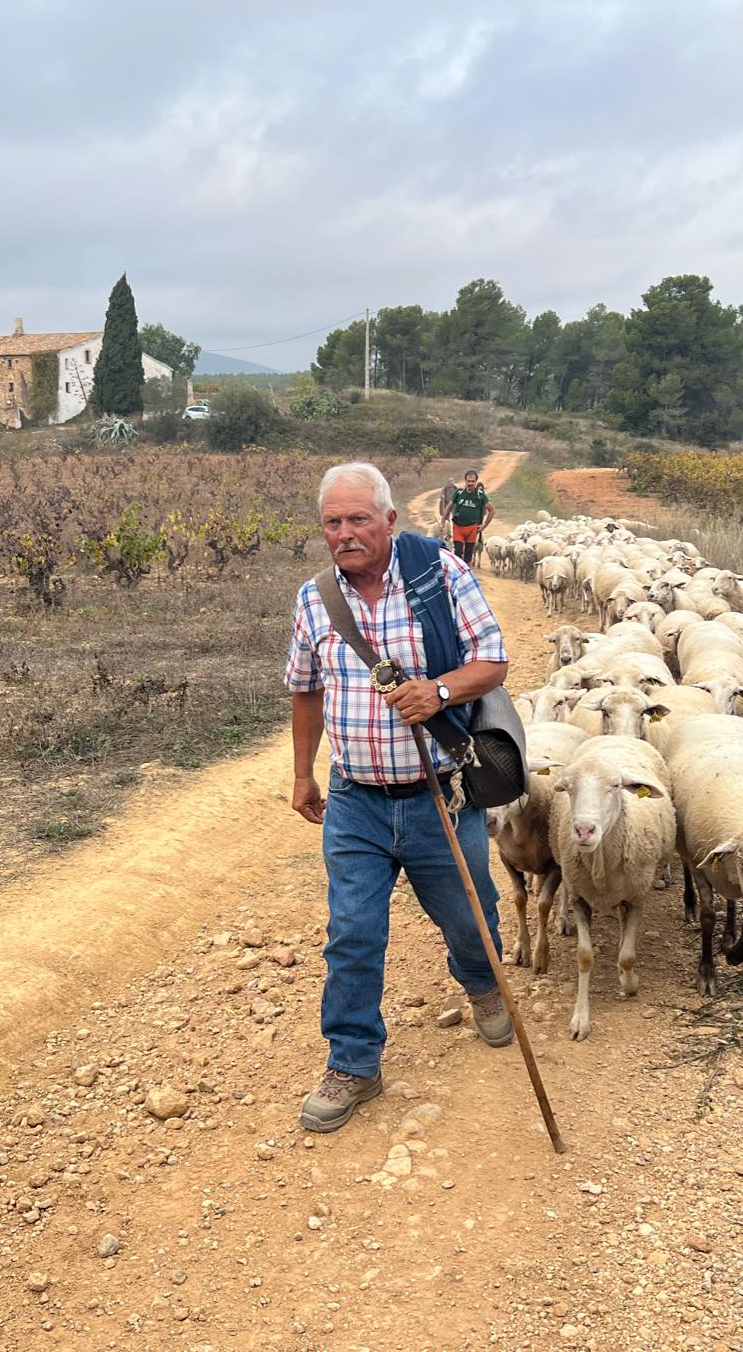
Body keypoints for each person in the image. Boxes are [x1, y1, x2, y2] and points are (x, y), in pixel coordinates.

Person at [286, 461, 513, 1133]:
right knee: (353, 930)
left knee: (470, 917)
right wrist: (303, 772)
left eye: (359, 518)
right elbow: (306, 689)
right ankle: (354, 1060)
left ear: (389, 519)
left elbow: (493, 659)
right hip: (357, 799)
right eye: (334, 521)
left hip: (438, 793)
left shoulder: (442, 575)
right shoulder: (315, 599)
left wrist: (438, 690)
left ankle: (483, 984)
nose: (346, 533)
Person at [448, 468, 495, 567]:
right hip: (458, 527)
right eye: (468, 481)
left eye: (472, 481)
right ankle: (457, 572)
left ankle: (467, 576)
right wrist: (443, 521)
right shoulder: (459, 493)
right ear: (465, 481)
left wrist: (485, 525)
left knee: (469, 555)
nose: (470, 483)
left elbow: (492, 510)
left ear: (476, 481)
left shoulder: (480, 495)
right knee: (458, 551)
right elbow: (449, 506)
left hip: (472, 528)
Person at [437, 476, 458, 546]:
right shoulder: (445, 489)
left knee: (455, 519)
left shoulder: (456, 488)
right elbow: (441, 496)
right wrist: (442, 496)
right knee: (447, 520)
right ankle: (448, 534)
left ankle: (455, 533)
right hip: (447, 505)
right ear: (448, 483)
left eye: (452, 482)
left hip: (454, 505)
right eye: (450, 482)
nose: (451, 483)